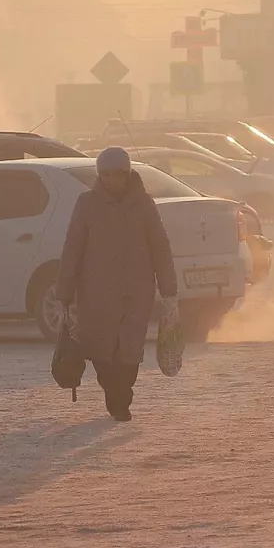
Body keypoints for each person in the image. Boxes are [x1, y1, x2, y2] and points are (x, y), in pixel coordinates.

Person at [55, 146, 177, 421]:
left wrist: (168, 287)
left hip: (137, 293)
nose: (113, 180)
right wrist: (64, 290)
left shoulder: (144, 204)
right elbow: (73, 246)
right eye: (107, 175)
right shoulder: (86, 204)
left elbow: (160, 246)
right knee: (102, 352)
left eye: (118, 174)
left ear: (127, 174)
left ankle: (122, 396)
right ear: (100, 176)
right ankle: (116, 397)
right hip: (96, 294)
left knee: (130, 353)